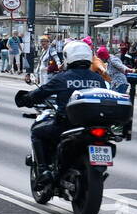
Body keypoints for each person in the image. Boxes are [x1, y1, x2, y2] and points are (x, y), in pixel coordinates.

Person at [16, 40, 108, 186]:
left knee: (37, 132)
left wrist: (26, 99)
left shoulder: (63, 77)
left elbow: (41, 92)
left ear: (69, 57)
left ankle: (44, 170)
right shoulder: (97, 79)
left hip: (66, 124)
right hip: (92, 125)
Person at [99, 46, 134, 141]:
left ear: (103, 56)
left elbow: (121, 66)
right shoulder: (109, 60)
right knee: (113, 104)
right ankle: (116, 123)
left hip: (120, 83)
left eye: (101, 57)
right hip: (115, 84)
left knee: (117, 105)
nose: (101, 59)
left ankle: (120, 124)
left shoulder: (113, 60)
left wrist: (128, 70)